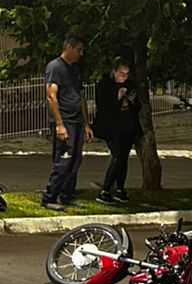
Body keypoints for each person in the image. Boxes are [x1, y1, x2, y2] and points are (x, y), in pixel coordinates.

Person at [41, 35, 90, 210]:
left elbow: (80, 97)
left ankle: (67, 195)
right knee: (63, 160)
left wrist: (86, 124)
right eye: (78, 49)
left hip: (76, 121)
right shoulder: (55, 67)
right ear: (69, 47)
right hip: (65, 121)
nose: (80, 53)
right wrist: (59, 124)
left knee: (75, 161)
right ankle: (49, 197)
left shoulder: (74, 70)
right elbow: (51, 96)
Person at [94, 59, 141, 203]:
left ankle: (120, 189)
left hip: (127, 125)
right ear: (114, 72)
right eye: (121, 74)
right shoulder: (105, 85)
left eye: (126, 74)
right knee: (118, 156)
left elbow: (137, 106)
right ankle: (105, 189)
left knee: (123, 157)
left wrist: (132, 101)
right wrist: (118, 98)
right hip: (111, 126)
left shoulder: (130, 85)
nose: (123, 77)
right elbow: (103, 106)